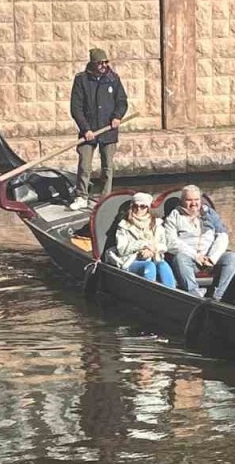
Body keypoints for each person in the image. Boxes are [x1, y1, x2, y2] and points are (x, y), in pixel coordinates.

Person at [69, 47, 128, 210]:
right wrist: (85, 128)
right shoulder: (81, 80)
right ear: (93, 63)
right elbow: (76, 108)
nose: (103, 65)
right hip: (88, 131)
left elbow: (122, 101)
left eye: (105, 62)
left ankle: (105, 198)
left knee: (107, 166)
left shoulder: (113, 79)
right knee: (84, 165)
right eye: (100, 63)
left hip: (108, 130)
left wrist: (117, 116)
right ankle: (81, 195)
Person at [165, 185, 235, 299]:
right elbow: (171, 242)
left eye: (196, 200)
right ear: (182, 201)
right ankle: (194, 296)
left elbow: (222, 235)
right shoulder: (174, 216)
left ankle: (217, 296)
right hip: (189, 259)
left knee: (232, 258)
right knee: (180, 259)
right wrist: (196, 256)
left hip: (210, 259)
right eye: (189, 200)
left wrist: (212, 257)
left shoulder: (209, 214)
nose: (194, 203)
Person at [115, 192, 176, 288]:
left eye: (142, 206)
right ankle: (148, 293)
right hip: (130, 260)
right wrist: (143, 245)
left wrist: (152, 250)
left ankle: (173, 294)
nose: (139, 209)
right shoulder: (124, 225)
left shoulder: (157, 223)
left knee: (163, 265)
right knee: (149, 266)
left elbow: (164, 245)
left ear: (148, 208)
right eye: (135, 206)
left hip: (154, 256)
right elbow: (121, 249)